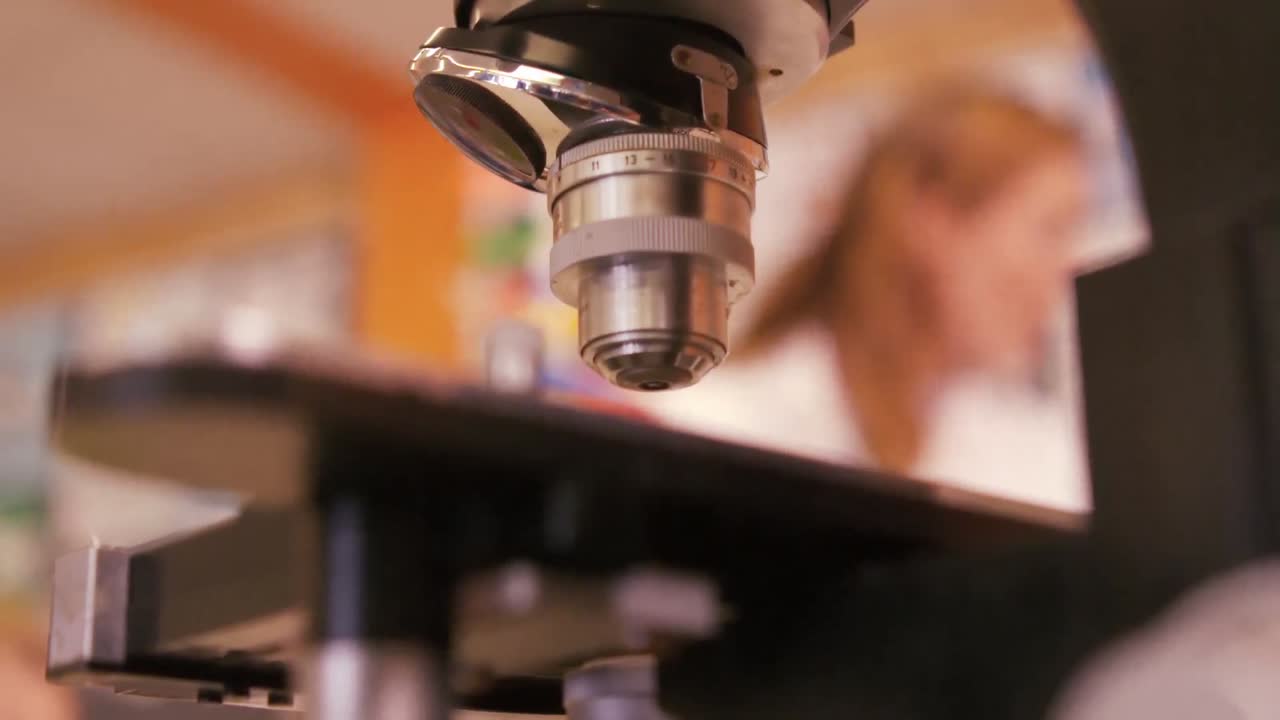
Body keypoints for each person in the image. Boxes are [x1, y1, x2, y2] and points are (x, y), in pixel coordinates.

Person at [639, 85, 1091, 512]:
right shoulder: (724, 430)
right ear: (934, 221)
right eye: (1051, 228)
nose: (1066, 267)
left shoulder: (1020, 447)